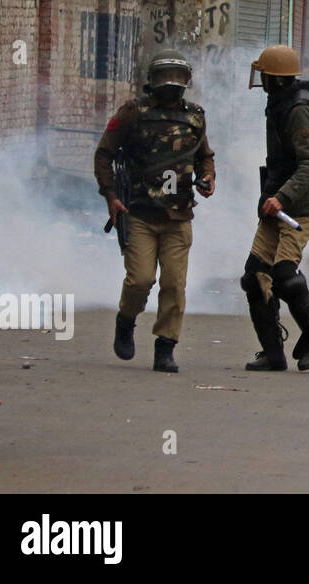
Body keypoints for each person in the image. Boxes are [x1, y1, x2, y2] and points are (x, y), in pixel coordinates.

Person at [94, 49, 215, 373]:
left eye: (177, 78)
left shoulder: (195, 116)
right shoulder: (133, 113)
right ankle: (126, 320)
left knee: (174, 285)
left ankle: (166, 346)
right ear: (152, 80)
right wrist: (110, 196)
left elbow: (204, 155)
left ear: (186, 81)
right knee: (140, 280)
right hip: (140, 214)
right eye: (165, 77)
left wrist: (207, 177)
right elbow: (104, 153)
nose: (171, 84)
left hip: (178, 217)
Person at [240, 45, 309, 371]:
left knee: (284, 275)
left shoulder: (299, 109)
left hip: (296, 206)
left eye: (266, 76)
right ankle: (272, 353)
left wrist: (282, 198)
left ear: (274, 79)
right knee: (254, 278)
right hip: (275, 202)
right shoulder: (280, 105)